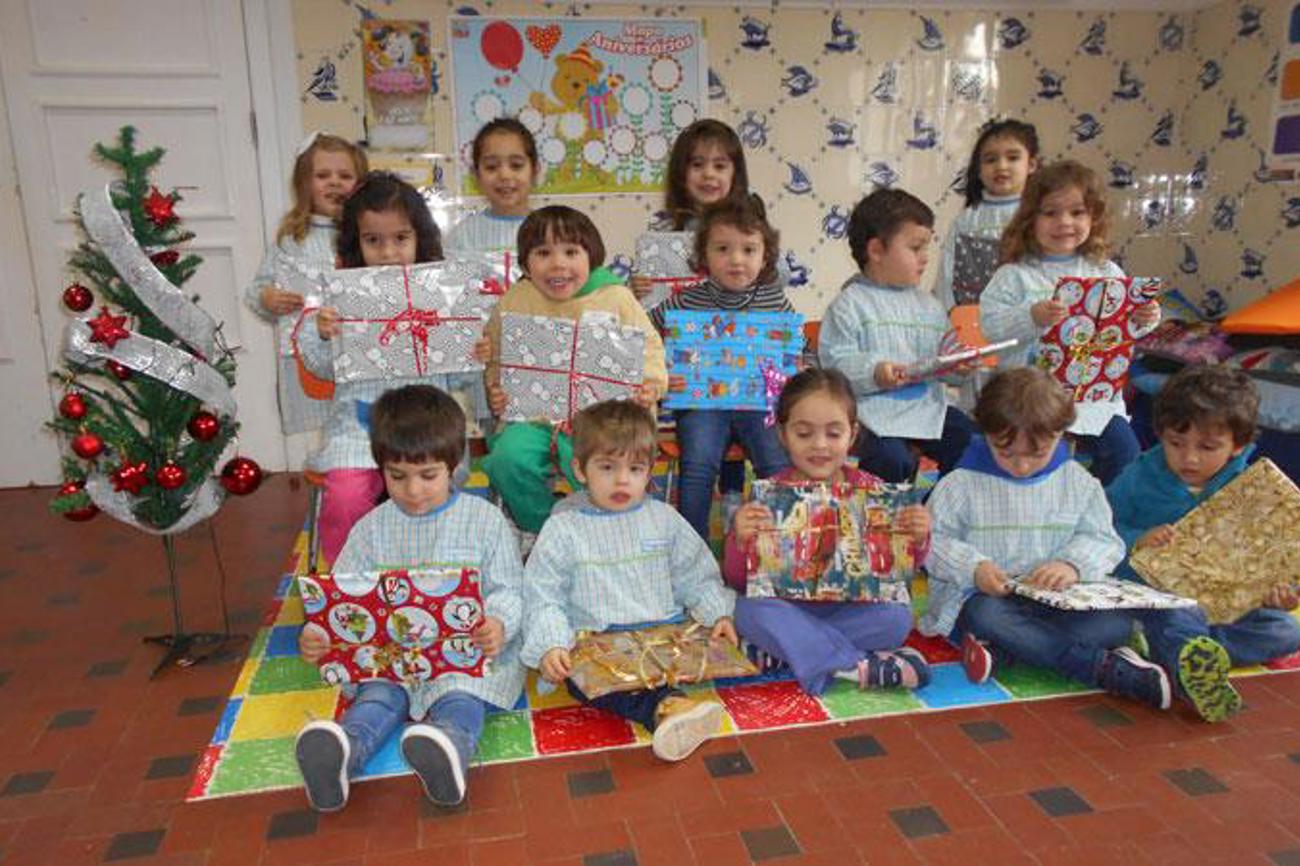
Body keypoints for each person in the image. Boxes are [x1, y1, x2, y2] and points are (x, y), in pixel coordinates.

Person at [294, 385, 525, 811]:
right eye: (397, 476)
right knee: (378, 696)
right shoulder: (370, 528)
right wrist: (318, 634)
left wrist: (498, 623)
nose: (413, 490)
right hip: (391, 659)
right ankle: (344, 752)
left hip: (462, 657)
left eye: (428, 476)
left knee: (460, 695)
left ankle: (450, 748)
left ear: (453, 467)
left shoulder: (485, 521)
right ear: (380, 468)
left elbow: (509, 587)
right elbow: (341, 598)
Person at [920, 367, 1172, 710]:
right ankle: (1099, 668)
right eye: (1006, 452)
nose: (1021, 466)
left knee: (1118, 623)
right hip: (987, 600)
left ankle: (1007, 651)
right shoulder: (960, 484)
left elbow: (1104, 540)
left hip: (1058, 602)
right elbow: (931, 544)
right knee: (986, 616)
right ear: (987, 432)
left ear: (1062, 435)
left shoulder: (1079, 483)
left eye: (1036, 453)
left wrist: (1071, 564)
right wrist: (974, 567)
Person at [521, 400, 736, 762]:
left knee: (680, 664)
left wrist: (718, 615)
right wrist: (551, 644)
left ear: (649, 470)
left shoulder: (663, 518)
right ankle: (669, 709)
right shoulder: (563, 526)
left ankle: (668, 705)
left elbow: (694, 573)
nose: (623, 480)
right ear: (581, 469)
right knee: (580, 680)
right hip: (599, 642)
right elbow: (543, 594)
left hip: (662, 636)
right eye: (607, 467)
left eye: (635, 468)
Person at [298, 172, 485, 563]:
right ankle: (350, 586)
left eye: (401, 238)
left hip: (427, 434)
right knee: (347, 497)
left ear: (420, 238)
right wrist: (321, 333)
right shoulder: (342, 297)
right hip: (359, 433)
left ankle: (436, 573)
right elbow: (319, 368)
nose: (388, 252)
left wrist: (476, 352)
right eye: (373, 240)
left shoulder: (440, 294)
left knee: (438, 496)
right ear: (356, 244)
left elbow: (464, 377)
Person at [1107, 364, 1300, 722]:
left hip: (1226, 607)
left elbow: (1277, 558)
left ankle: (1187, 652)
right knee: (1170, 618)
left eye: (1207, 447)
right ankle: (1188, 661)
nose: (1189, 458)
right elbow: (1100, 528)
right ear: (1160, 434)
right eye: (1175, 444)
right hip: (1161, 598)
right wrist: (1138, 540)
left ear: (1237, 445)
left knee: (1286, 629)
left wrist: (1282, 594)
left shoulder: (1253, 490)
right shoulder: (1139, 477)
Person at [722, 368, 932, 695]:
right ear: (782, 435)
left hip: (852, 608)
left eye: (833, 434)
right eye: (804, 434)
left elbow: (900, 574)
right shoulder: (770, 495)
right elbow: (738, 579)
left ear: (853, 433)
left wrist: (917, 539)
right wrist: (740, 538)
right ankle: (853, 665)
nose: (819, 445)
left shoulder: (873, 491)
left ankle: (787, 653)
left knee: (897, 617)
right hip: (789, 608)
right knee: (747, 610)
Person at [482, 206, 667, 534]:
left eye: (571, 251)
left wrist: (650, 385)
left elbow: (650, 348)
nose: (558, 264)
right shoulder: (515, 299)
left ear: (591, 256)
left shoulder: (615, 297)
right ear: (525, 263)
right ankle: (543, 530)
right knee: (507, 457)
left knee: (597, 462)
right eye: (543, 253)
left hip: (602, 421)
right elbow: (497, 355)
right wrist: (496, 390)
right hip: (535, 418)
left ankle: (604, 530)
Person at [980, 160, 1161, 485]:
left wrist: (1143, 319)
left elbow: (1124, 328)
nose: (1064, 222)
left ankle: (1102, 518)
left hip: (1095, 399)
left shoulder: (1106, 271)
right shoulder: (1014, 276)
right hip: (1031, 404)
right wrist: (1030, 316)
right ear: (1030, 219)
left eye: (1077, 213)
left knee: (1126, 453)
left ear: (1094, 217)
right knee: (1046, 467)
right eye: (1050, 213)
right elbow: (990, 327)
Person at [647, 197, 792, 539]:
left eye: (749, 249)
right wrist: (664, 371)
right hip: (702, 405)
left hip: (759, 405)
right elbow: (644, 333)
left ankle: (785, 545)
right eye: (723, 248)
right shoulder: (687, 299)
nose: (736, 260)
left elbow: (802, 351)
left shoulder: (774, 299)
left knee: (776, 464)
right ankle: (691, 550)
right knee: (697, 465)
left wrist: (795, 375)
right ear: (704, 255)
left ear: (765, 256)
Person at [818, 188, 975, 483]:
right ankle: (883, 517)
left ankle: (937, 506)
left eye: (926, 248)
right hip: (869, 416)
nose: (925, 258)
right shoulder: (849, 304)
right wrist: (875, 372)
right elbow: (834, 366)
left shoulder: (930, 306)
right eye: (916, 248)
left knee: (969, 441)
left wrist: (958, 366)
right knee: (890, 459)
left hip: (925, 409)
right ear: (876, 250)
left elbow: (946, 360)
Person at [244, 132, 366, 434]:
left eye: (345, 176)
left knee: (362, 426)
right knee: (321, 432)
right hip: (305, 356)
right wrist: (268, 299)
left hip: (359, 352)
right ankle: (326, 478)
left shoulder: (366, 235)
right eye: (323, 175)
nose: (334, 182)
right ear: (304, 184)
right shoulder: (291, 239)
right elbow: (257, 290)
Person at [935, 119, 1040, 311]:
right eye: (990, 159)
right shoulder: (967, 220)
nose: (1001, 166)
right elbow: (946, 276)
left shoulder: (1041, 215)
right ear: (979, 170)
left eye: (1013, 157)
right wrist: (949, 316)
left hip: (1026, 320)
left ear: (1031, 164)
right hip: (971, 324)